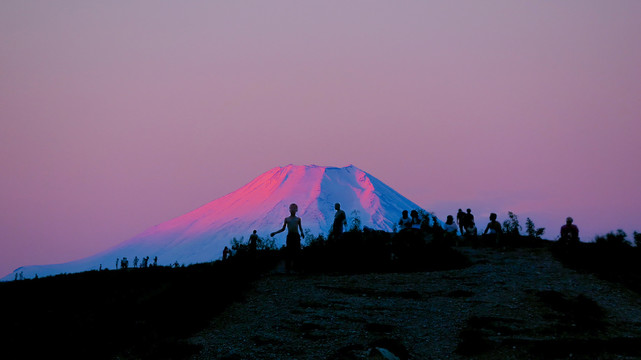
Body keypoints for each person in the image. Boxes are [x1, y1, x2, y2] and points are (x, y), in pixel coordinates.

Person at [271, 203, 305, 273]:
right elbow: (283, 229)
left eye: (294, 208)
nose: (292, 210)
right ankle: (288, 269)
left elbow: (300, 228)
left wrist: (302, 233)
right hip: (290, 236)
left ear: (296, 210)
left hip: (296, 236)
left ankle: (297, 268)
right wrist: (275, 233)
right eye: (291, 208)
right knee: (289, 252)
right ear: (289, 210)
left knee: (297, 252)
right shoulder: (287, 219)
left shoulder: (298, 219)